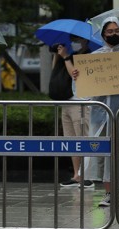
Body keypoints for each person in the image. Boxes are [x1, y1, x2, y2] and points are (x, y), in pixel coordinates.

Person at [72, 17, 119, 207]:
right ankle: (108, 193)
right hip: (100, 113)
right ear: (103, 34)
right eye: (110, 31)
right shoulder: (94, 57)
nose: (113, 34)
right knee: (104, 154)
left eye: (116, 31)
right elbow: (81, 92)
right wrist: (77, 77)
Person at [51, 35, 93, 188]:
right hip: (67, 101)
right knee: (71, 140)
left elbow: (75, 75)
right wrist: (57, 55)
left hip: (81, 103)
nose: (74, 42)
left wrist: (66, 57)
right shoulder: (70, 55)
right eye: (73, 39)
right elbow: (55, 73)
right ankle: (76, 174)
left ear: (85, 41)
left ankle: (86, 175)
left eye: (78, 39)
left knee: (82, 138)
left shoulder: (89, 56)